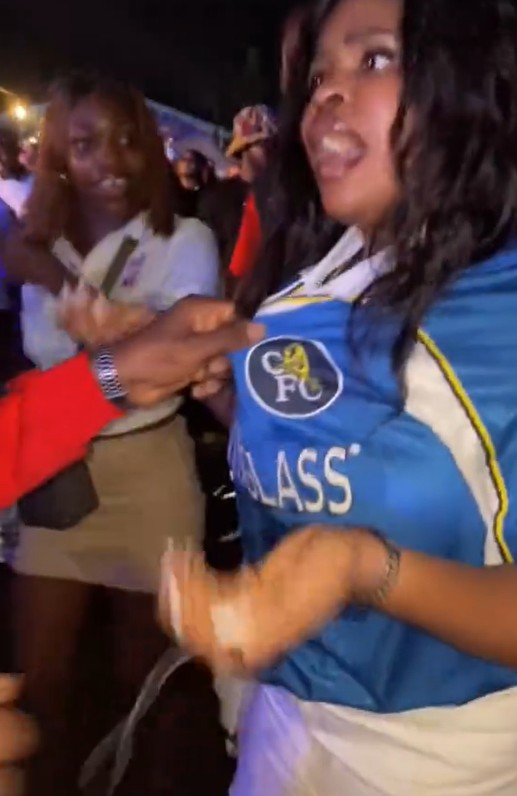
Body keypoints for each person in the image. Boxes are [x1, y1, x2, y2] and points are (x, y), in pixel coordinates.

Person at [161, 0, 517, 794]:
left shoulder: (504, 308)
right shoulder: (315, 278)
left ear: (468, 83)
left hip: (443, 765)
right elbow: (360, 448)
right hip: (285, 723)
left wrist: (359, 567)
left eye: (375, 59)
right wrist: (224, 399)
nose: (323, 94)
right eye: (317, 74)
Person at [2, 72, 220, 796]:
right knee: (37, 684)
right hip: (53, 468)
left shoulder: (183, 238)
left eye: (128, 140)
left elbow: (185, 344)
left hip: (150, 470)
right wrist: (52, 273)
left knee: (147, 683)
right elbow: (44, 349)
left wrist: (78, 297)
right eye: (86, 144)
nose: (111, 161)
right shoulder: (41, 241)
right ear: (57, 155)